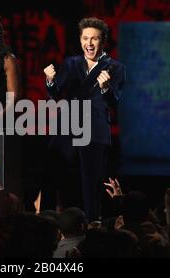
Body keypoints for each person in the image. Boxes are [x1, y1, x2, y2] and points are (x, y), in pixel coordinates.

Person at [42, 17, 126, 222]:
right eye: (85, 38)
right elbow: (56, 93)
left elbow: (114, 102)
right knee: (52, 173)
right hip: (67, 126)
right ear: (80, 40)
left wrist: (106, 88)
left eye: (94, 39)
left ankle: (92, 224)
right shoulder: (72, 63)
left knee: (92, 181)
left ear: (103, 41)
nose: (89, 43)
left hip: (95, 129)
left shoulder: (116, 67)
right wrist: (50, 81)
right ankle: (46, 220)